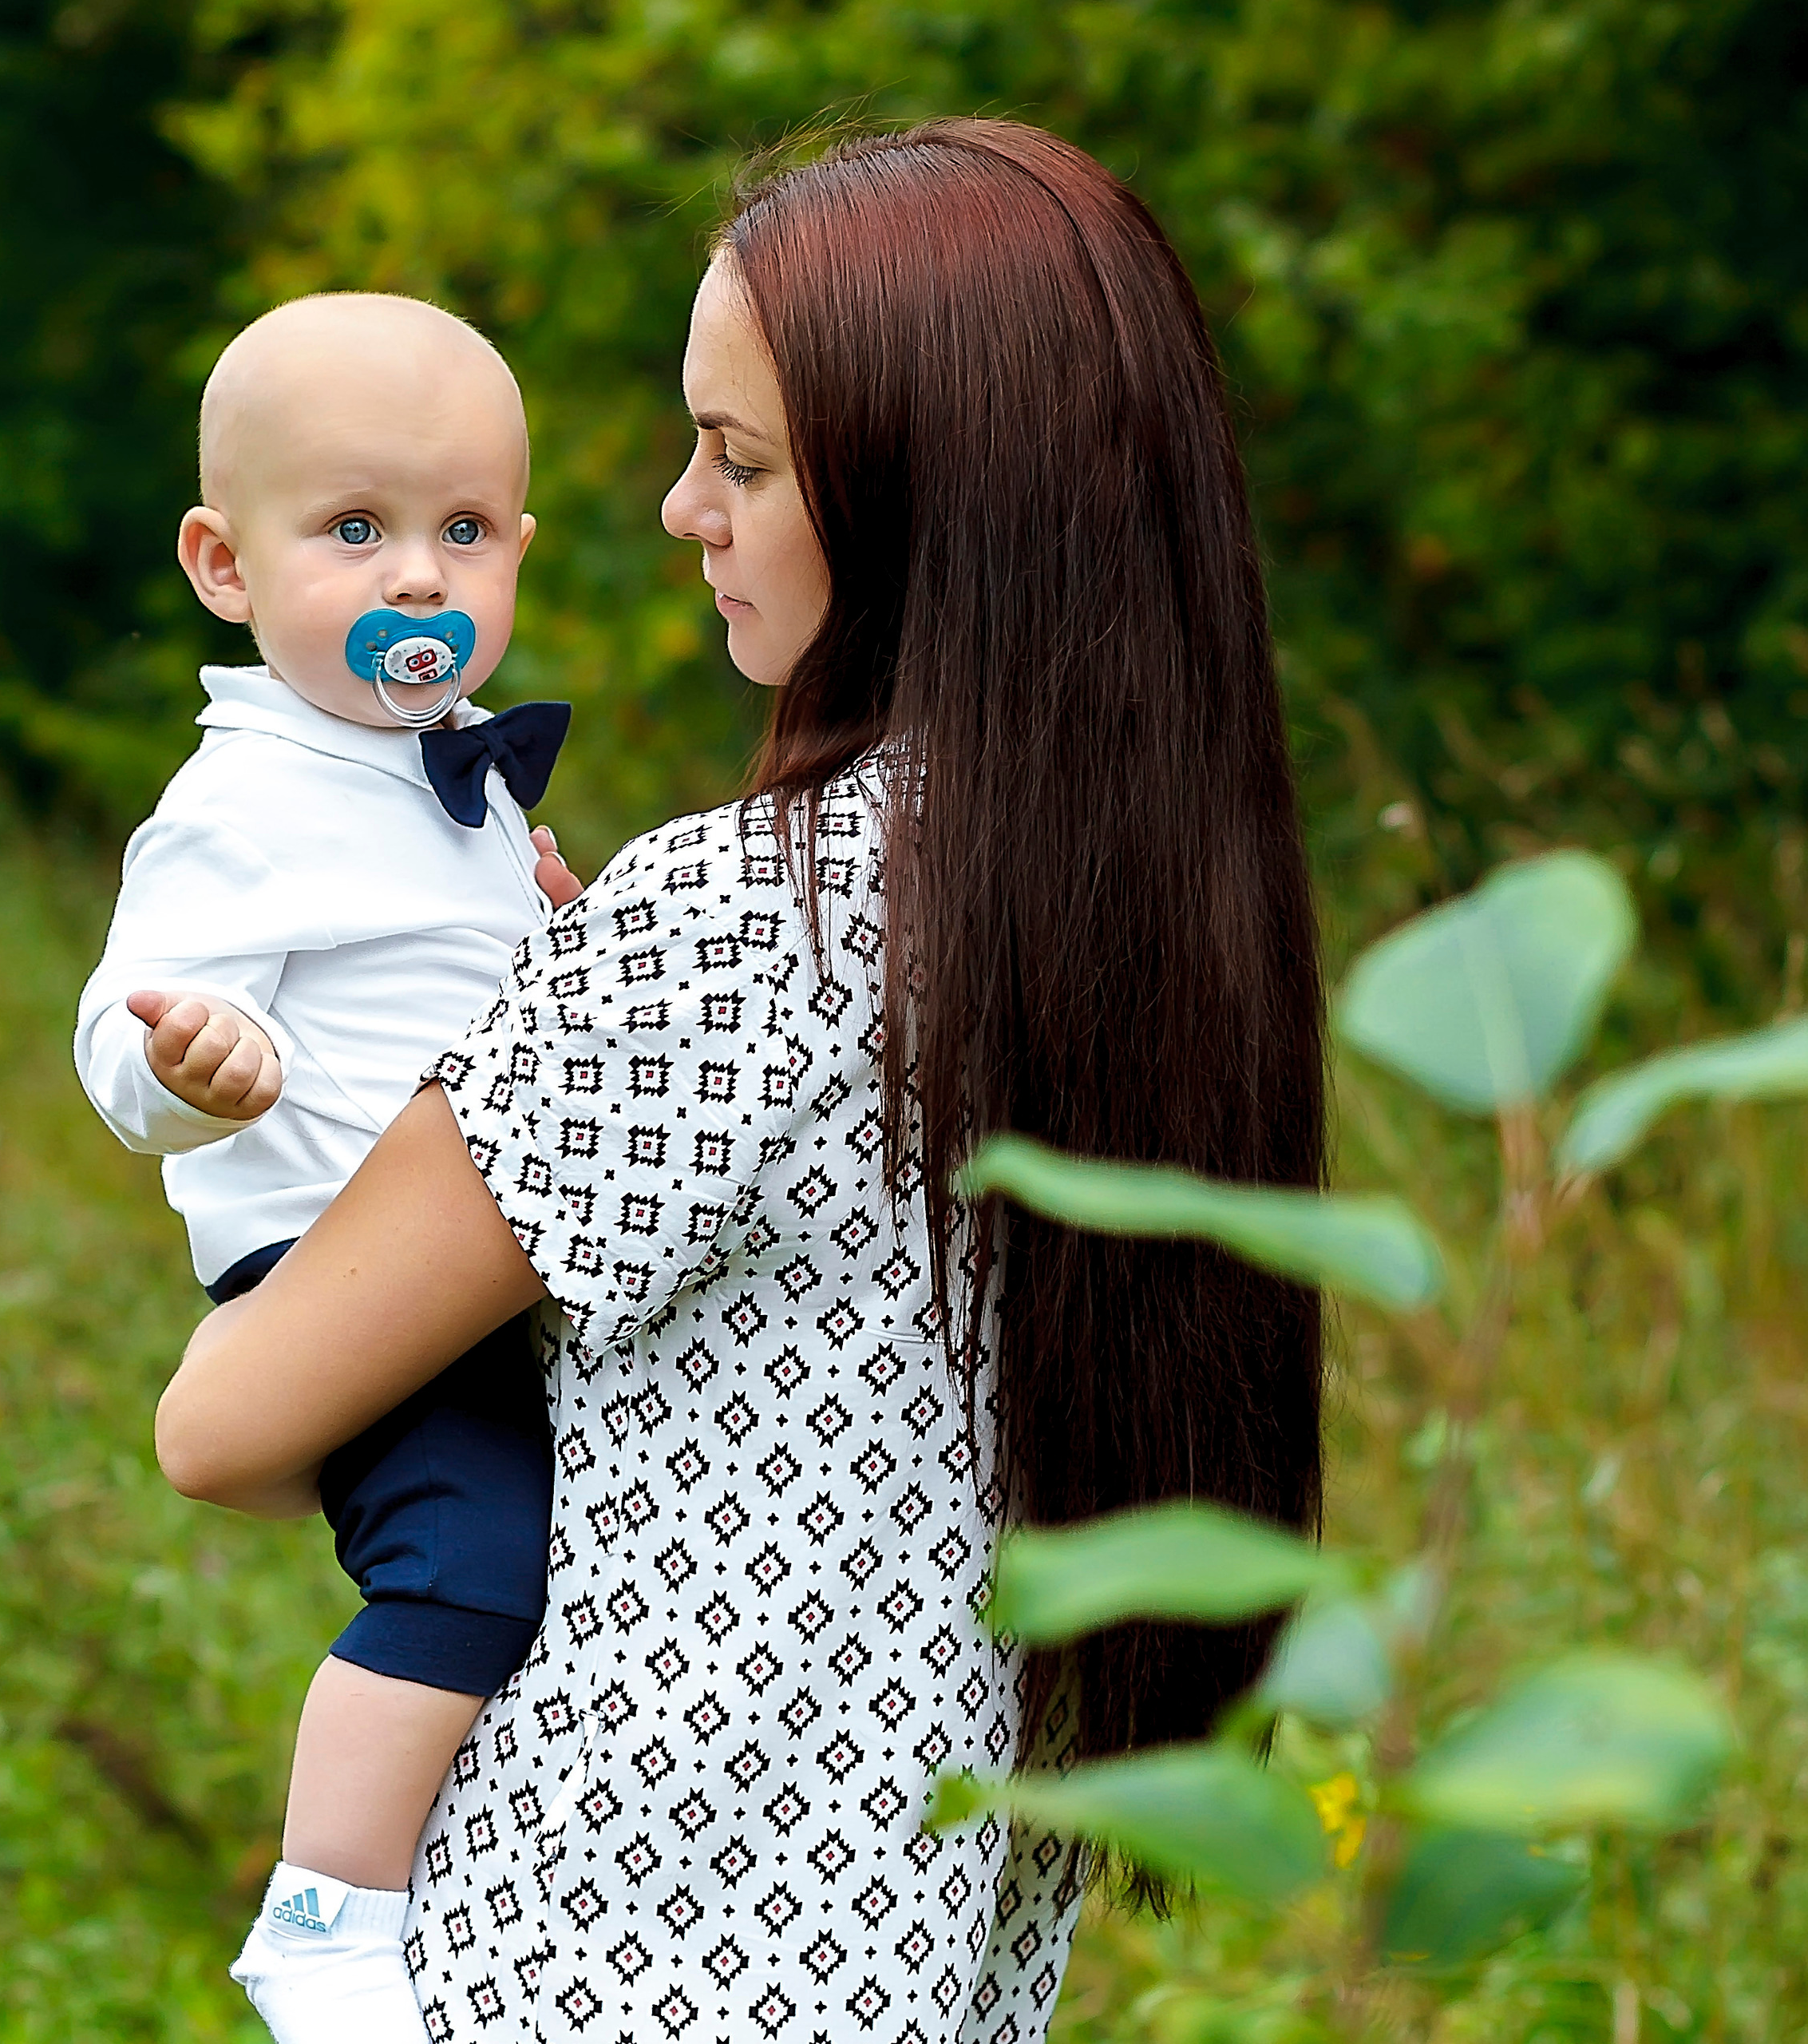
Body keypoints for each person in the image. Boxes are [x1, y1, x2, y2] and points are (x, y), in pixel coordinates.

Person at [156, 120, 1325, 2044]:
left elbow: (228, 1421)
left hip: (589, 1965)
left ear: (931, 496)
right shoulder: (1163, 915)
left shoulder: (737, 915)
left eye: (743, 457)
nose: (679, 505)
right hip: (923, 1974)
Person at [74, 292, 584, 2044]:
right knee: (464, 1563)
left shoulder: (453, 776)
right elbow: (119, 1018)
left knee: (553, 1570)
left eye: (460, 531)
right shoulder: (246, 797)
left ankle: (475, 1876)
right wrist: (183, 1065)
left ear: (518, 547)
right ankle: (323, 1913)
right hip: (335, 1265)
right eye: (353, 530)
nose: (418, 577)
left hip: (481, 1253)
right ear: (224, 563)